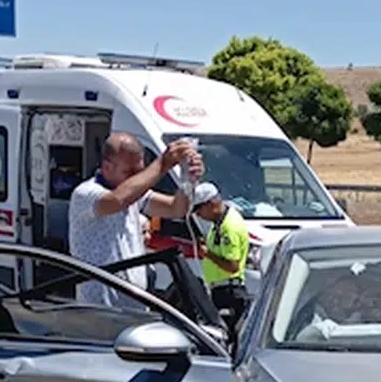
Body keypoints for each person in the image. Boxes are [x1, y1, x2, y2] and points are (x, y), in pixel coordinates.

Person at [67, 132, 199, 307]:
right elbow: (116, 201)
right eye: (129, 172)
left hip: (134, 303)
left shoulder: (135, 195)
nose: (138, 179)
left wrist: (188, 180)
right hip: (99, 308)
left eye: (140, 172)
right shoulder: (86, 193)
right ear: (107, 168)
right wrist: (163, 163)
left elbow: (176, 209)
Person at [191, 181, 250, 330]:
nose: (198, 214)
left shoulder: (228, 227)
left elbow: (232, 266)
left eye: (199, 209)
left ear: (211, 204)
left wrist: (208, 254)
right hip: (221, 290)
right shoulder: (218, 223)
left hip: (229, 293)